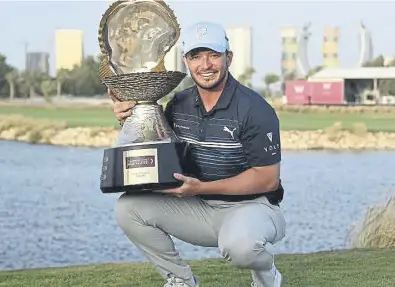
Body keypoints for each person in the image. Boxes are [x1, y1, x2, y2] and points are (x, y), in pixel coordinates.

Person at [110, 21, 286, 287]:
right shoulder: (178, 104)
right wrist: (131, 120)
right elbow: (160, 151)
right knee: (128, 207)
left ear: (229, 57)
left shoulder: (254, 109)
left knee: (242, 247)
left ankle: (267, 272)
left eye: (213, 55)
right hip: (200, 208)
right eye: (196, 56)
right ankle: (181, 280)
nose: (205, 65)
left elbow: (267, 179)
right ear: (186, 61)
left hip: (253, 207)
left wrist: (201, 186)